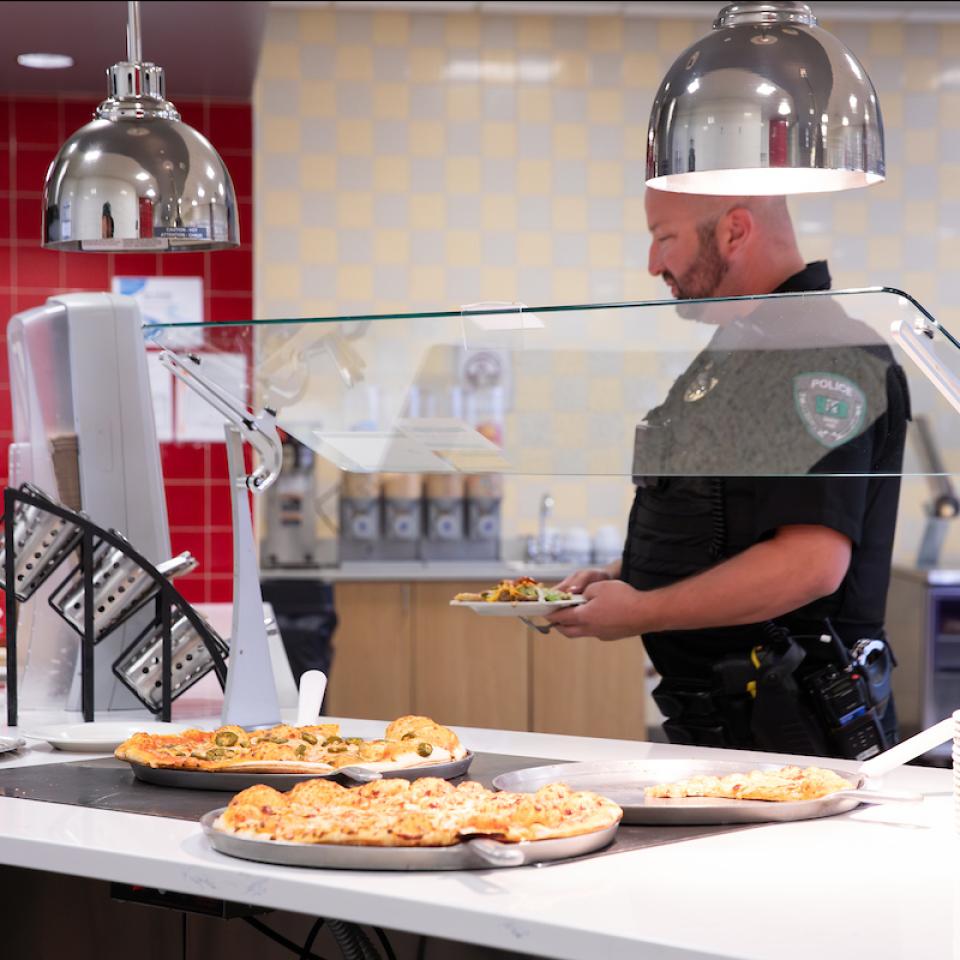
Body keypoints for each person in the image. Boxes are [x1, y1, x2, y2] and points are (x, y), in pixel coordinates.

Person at [549, 188, 909, 756]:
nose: (653, 265)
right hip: (721, 726)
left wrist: (642, 609)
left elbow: (809, 565)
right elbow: (724, 518)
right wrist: (627, 573)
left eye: (664, 238)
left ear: (734, 232)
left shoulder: (824, 353)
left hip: (801, 736)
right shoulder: (741, 350)